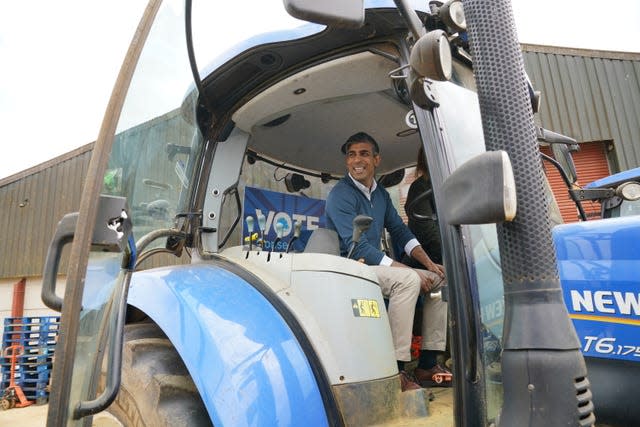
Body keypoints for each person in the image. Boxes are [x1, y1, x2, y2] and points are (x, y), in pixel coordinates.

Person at [325, 132, 451, 390]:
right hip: (348, 268)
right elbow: (357, 246)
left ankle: (428, 362)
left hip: (371, 269)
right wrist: (410, 271)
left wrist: (428, 265)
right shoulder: (341, 194)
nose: (356, 160)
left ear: (376, 159)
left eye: (364, 154)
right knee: (406, 280)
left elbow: (401, 231)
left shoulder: (380, 194)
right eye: (351, 155)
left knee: (440, 279)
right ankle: (396, 370)